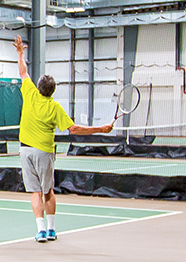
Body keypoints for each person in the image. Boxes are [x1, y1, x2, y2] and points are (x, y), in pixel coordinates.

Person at [13, 36, 113, 243]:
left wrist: (20, 53)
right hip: (44, 152)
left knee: (35, 192)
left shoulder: (29, 93)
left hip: (25, 150)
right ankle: (50, 230)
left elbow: (23, 71)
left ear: (38, 86)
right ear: (53, 91)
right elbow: (74, 129)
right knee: (47, 191)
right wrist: (101, 129)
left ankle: (41, 231)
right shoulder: (55, 107)